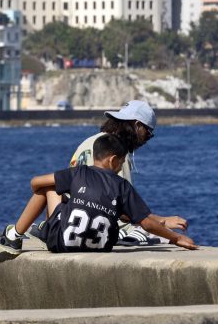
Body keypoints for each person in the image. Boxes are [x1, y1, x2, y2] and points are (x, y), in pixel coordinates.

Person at [0, 134, 198, 254]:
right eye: (122, 162)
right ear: (113, 160)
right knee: (101, 207)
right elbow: (146, 223)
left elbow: (35, 182)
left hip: (62, 243)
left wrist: (37, 190)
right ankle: (42, 228)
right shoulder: (122, 186)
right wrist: (176, 238)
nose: (122, 165)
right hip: (101, 247)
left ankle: (13, 236)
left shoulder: (79, 173)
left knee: (49, 187)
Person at [67, 99, 189, 244]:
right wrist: (162, 221)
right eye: (148, 133)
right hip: (102, 228)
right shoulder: (117, 155)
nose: (146, 140)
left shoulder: (87, 143)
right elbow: (122, 208)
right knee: (163, 237)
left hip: (72, 223)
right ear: (138, 126)